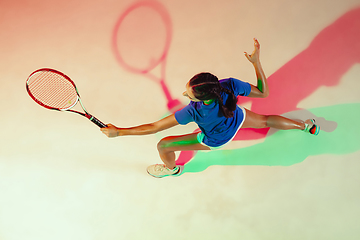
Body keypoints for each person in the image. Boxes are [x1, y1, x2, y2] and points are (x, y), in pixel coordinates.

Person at [101, 38, 320, 178]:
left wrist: (118, 132)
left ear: (202, 98)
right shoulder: (227, 85)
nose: (186, 94)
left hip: (217, 139)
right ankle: (306, 126)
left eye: (189, 94)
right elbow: (264, 93)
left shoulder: (193, 111)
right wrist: (255, 62)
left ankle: (172, 169)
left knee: (163, 145)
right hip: (238, 118)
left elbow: (155, 126)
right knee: (265, 120)